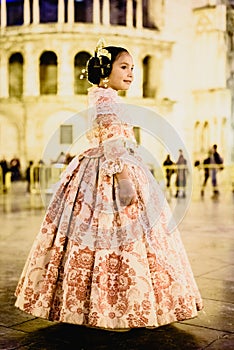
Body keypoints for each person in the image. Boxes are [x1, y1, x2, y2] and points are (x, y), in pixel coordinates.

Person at [15, 41, 203, 331]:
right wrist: (124, 180)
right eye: (123, 67)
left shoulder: (105, 96)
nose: (131, 74)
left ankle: (107, 305)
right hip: (113, 173)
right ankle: (118, 306)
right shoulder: (106, 99)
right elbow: (112, 142)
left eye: (132, 68)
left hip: (114, 167)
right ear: (106, 70)